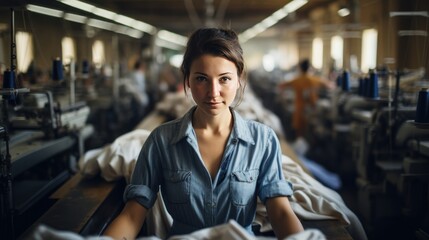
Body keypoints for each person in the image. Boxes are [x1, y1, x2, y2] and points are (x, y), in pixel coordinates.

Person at [104, 28, 304, 239]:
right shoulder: (162, 141)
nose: (213, 92)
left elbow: (280, 213)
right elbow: (133, 215)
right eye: (201, 79)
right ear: (188, 80)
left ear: (239, 79)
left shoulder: (263, 141)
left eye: (224, 79)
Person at [278, 59, 334, 138]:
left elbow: (281, 86)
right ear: (309, 68)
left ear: (300, 68)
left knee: (300, 134)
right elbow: (330, 86)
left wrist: (283, 97)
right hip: (313, 111)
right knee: (312, 134)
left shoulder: (297, 80)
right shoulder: (315, 80)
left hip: (300, 111)